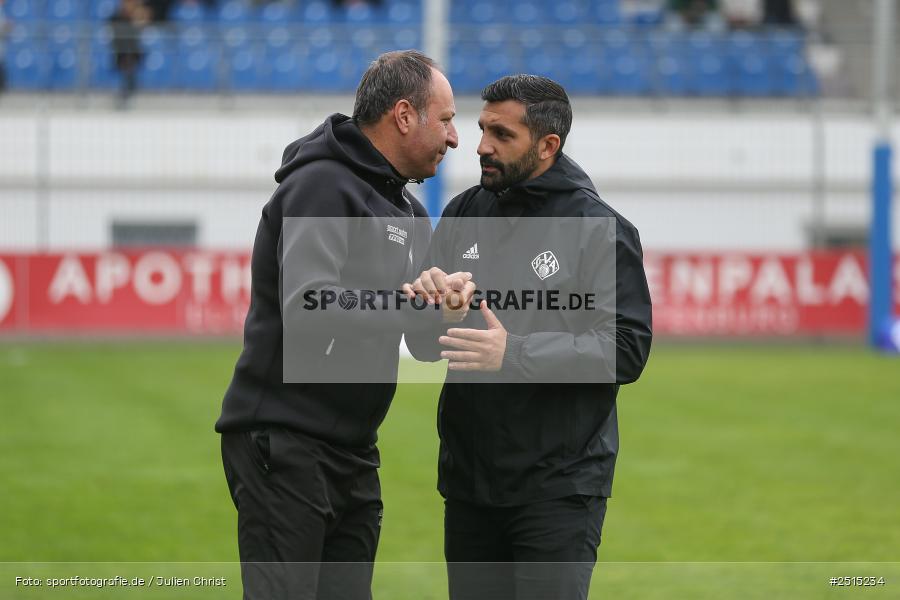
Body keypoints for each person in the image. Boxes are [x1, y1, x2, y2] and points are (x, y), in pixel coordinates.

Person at [215, 50, 467, 600]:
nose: (455, 138)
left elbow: (422, 344)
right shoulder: (323, 184)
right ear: (404, 116)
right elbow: (310, 305)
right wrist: (410, 303)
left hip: (353, 450)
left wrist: (448, 306)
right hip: (285, 441)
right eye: (446, 119)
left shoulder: (409, 211)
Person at [405, 75, 653, 600]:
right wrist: (441, 313)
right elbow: (425, 343)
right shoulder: (462, 214)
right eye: (481, 129)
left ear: (547, 145)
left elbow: (627, 348)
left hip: (559, 488)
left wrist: (513, 353)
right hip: (469, 483)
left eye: (502, 134)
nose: (481, 146)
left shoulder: (599, 228)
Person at [109, 0, 150, 108]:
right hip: (120, 53)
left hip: (134, 54)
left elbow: (143, 30)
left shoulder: (137, 17)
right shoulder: (116, 17)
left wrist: (137, 17)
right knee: (125, 63)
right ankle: (123, 94)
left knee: (130, 63)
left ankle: (129, 93)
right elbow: (113, 36)